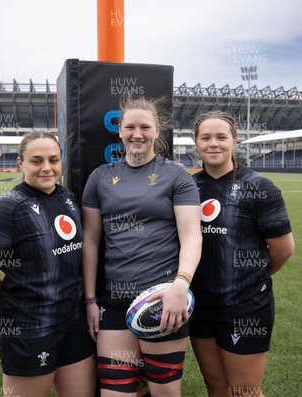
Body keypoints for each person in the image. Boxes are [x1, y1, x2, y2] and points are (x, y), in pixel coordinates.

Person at [81, 96, 202, 397]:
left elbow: (192, 236)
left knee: (164, 394)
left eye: (145, 127)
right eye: (130, 127)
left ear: (157, 130)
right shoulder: (100, 177)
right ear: (119, 130)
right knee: (115, 393)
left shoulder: (176, 176)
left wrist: (180, 285)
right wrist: (90, 300)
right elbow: (91, 241)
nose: (138, 134)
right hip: (114, 301)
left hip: (164, 300)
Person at [0, 131, 96, 397]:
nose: (47, 168)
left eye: (54, 159)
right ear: (21, 163)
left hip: (74, 324)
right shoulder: (7, 208)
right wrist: (17, 305)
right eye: (36, 161)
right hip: (30, 328)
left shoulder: (68, 198)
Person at [190, 111, 295, 397]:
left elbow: (284, 250)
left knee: (245, 391)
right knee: (217, 387)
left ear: (234, 142)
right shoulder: (188, 188)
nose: (214, 144)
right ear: (196, 144)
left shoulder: (259, 187)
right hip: (200, 305)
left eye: (221, 137)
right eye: (206, 138)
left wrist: (250, 276)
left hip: (246, 306)